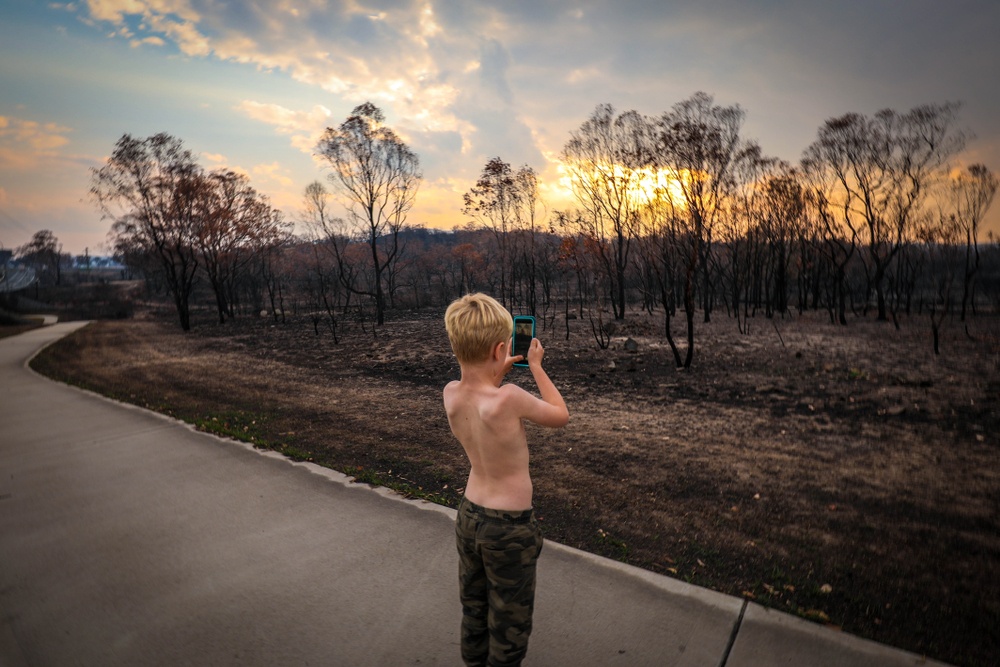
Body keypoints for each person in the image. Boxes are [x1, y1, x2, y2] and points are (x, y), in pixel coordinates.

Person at [443, 293, 569, 667]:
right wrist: (535, 366)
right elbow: (560, 414)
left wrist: (495, 367)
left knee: (475, 607)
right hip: (509, 529)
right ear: (501, 349)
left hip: (469, 517)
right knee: (509, 621)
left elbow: (479, 388)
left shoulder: (451, 394)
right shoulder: (509, 397)